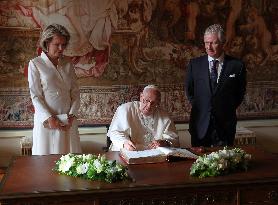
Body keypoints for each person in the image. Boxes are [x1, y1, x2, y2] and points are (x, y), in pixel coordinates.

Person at [185, 24, 246, 147]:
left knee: (224, 165)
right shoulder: (194, 65)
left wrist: (223, 107)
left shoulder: (237, 65)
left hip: (225, 127)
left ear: (223, 43)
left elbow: (239, 94)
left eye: (213, 43)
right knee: (199, 164)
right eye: (206, 43)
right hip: (200, 126)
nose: (209, 47)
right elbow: (189, 92)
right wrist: (204, 107)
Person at [28, 23, 81, 155]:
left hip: (68, 121)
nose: (61, 48)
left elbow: (75, 93)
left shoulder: (68, 65)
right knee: (46, 164)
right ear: (47, 43)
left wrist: (72, 115)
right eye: (57, 44)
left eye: (63, 44)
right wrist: (49, 118)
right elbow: (36, 96)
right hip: (47, 122)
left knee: (70, 161)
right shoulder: (35, 64)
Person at [107, 85, 180, 151]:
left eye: (153, 103)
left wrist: (164, 142)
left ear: (158, 103)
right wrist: (124, 143)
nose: (148, 106)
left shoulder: (164, 116)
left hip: (154, 155)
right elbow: (115, 132)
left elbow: (174, 139)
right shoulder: (126, 109)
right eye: (146, 101)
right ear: (141, 96)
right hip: (129, 151)